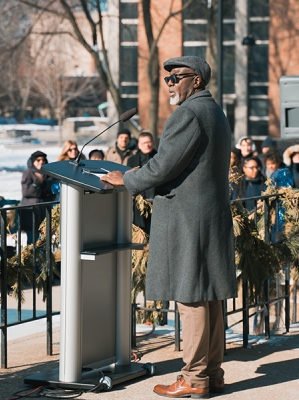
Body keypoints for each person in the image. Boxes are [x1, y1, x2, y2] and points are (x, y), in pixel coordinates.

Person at [101, 56, 236, 398]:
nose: (171, 83)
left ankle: (192, 379)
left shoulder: (189, 113)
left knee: (191, 299)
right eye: (168, 79)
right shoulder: (214, 111)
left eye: (178, 77)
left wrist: (126, 178)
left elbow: (162, 166)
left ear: (198, 81)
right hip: (207, 216)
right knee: (209, 298)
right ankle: (211, 374)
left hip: (188, 220)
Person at [20, 151, 57, 244]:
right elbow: (26, 191)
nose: (41, 162)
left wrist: (42, 184)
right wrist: (39, 185)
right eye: (38, 160)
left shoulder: (48, 173)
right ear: (33, 161)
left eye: (43, 160)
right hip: (31, 213)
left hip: (44, 213)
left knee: (45, 241)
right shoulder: (28, 173)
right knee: (32, 241)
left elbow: (53, 189)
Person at [127, 131, 158, 234]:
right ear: (139, 145)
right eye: (144, 143)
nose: (147, 145)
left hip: (156, 203)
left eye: (149, 142)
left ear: (153, 143)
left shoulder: (159, 159)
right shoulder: (132, 160)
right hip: (138, 205)